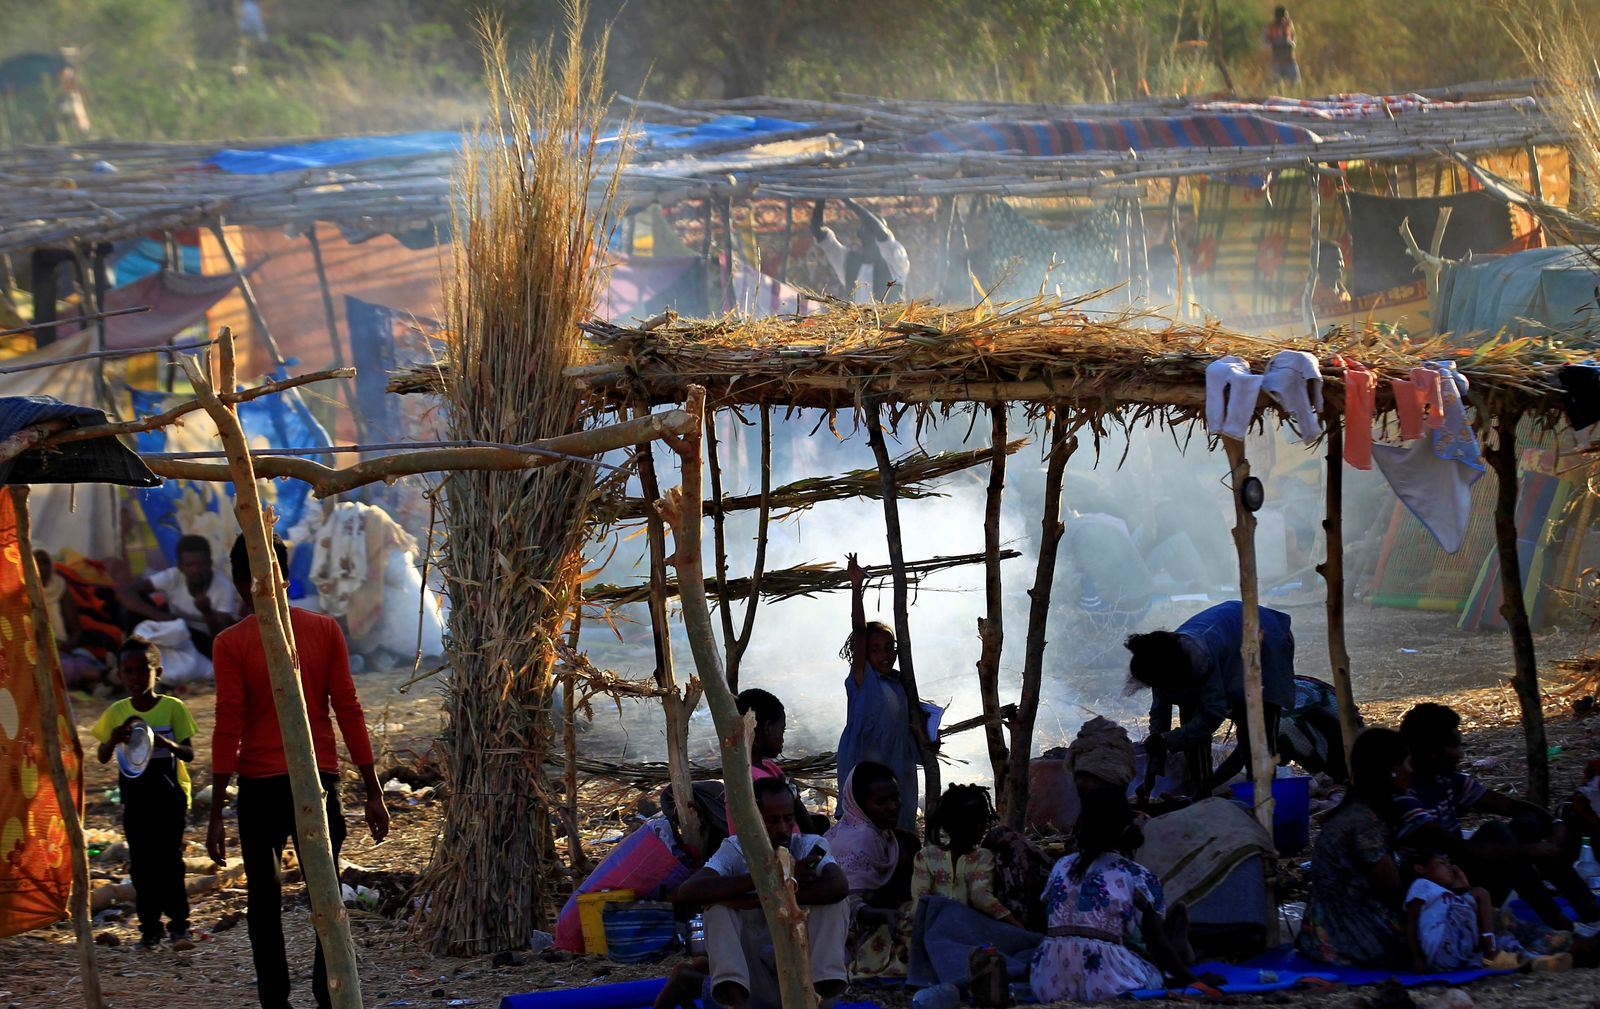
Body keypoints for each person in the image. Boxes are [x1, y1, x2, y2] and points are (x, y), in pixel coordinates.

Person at [205, 533, 388, 1009]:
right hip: (317, 781)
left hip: (262, 786)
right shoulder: (323, 629)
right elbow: (347, 708)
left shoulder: (232, 642)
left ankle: (276, 1001)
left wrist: (216, 808)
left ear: (240, 581)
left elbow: (229, 723)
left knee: (264, 904)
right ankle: (328, 995)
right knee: (325, 897)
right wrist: (371, 788)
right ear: (284, 576)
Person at [1396, 702, 1600, 935]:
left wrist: (1555, 823)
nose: (1460, 754)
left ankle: (1589, 910)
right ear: (1432, 751)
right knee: (1497, 834)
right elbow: (1459, 849)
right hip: (1441, 894)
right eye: (1454, 746)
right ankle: (1560, 923)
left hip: (1462, 876)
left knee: (1528, 822)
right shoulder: (1404, 796)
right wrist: (1533, 851)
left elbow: (1510, 805)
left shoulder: (1446, 780)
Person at [673, 777, 850, 1009]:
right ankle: (733, 997)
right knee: (717, 908)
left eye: (788, 819)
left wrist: (757, 900)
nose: (783, 829)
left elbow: (838, 887)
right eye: (772, 821)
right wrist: (769, 878)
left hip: (805, 979)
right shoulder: (736, 849)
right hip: (753, 984)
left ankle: (822, 990)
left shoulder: (809, 846)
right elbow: (687, 893)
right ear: (753, 820)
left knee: (836, 903)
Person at [1031, 790, 1198, 1002]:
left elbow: (1042, 919)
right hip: (1109, 983)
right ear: (1124, 826)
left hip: (1048, 983)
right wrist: (1194, 983)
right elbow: (1157, 945)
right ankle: (1180, 952)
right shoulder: (1137, 874)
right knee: (1150, 959)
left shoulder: (1061, 866)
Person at [90, 638, 198, 950]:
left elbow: (189, 753)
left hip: (169, 797)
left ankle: (180, 928)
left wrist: (168, 745)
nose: (136, 677)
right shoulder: (117, 712)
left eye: (143, 670)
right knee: (141, 866)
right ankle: (149, 929)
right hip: (135, 800)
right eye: (129, 671)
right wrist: (111, 740)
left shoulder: (172, 708)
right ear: (120, 675)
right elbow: (101, 756)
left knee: (170, 863)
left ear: (158, 672)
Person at [1125, 600, 1295, 796]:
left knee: (1257, 742)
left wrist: (1169, 741)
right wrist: (1156, 745)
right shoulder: (1158, 659)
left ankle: (1263, 803)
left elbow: (1213, 715)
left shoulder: (1199, 659)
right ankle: (1202, 793)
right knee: (1192, 732)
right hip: (1229, 641)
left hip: (1264, 641)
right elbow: (1160, 709)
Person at [1297, 727, 1410, 967]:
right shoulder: (1362, 823)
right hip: (1350, 936)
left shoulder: (1359, 811)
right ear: (1391, 769)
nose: (1412, 771)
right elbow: (1391, 887)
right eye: (1407, 763)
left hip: (1324, 934)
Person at [837, 553, 923, 831]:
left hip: (898, 762)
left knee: (900, 819)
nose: (885, 655)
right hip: (866, 760)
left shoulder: (898, 682)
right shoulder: (864, 679)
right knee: (866, 822)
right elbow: (859, 632)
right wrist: (856, 587)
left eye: (889, 648)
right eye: (875, 650)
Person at [826, 762, 916, 978]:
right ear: (859, 804)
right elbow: (848, 906)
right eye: (881, 802)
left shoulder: (872, 832)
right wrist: (885, 915)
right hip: (843, 935)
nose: (893, 806)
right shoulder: (861, 839)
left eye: (895, 798)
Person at [117, 534, 240, 658]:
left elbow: (220, 634)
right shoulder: (173, 576)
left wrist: (207, 612)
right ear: (180, 566)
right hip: (173, 629)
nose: (196, 570)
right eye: (189, 565)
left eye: (200, 564)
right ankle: (133, 655)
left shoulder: (223, 586)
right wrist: (159, 615)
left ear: (210, 563)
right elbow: (124, 592)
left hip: (202, 639)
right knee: (133, 606)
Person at [735, 687, 825, 834]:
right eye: (782, 730)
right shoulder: (745, 779)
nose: (783, 739)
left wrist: (793, 795)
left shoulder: (770, 768)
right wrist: (792, 794)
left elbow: (809, 830)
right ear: (767, 728)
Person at [1405, 851, 1500, 971]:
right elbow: (1411, 922)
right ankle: (1490, 951)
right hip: (1442, 948)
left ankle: (1492, 956)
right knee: (1479, 895)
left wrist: (1464, 886)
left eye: (1449, 864)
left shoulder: (1452, 895)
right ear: (1420, 868)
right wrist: (1416, 957)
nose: (1449, 867)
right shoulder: (1423, 884)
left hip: (1460, 953)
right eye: (1442, 863)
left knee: (1495, 920)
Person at [811, 199, 911, 303]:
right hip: (858, 319)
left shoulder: (894, 259)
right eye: (866, 229)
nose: (870, 231)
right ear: (860, 234)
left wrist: (847, 200)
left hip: (890, 319)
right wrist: (820, 198)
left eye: (872, 228)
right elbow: (819, 232)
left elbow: (883, 234)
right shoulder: (848, 261)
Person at [38, 549, 102, 690]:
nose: (42, 568)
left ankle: (97, 679)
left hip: (61, 648)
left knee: (70, 663)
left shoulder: (59, 587)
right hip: (38, 652)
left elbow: (75, 630)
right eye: (36, 562)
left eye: (45, 562)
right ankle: (102, 677)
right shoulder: (19, 593)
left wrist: (66, 645)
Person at [1263, 6, 1300, 84]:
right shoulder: (1270, 27)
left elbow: (1294, 39)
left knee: (1296, 84)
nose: (1284, 18)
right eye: (1282, 16)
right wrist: (1273, 44)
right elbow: (1264, 43)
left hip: (1290, 61)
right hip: (1277, 62)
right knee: (1277, 87)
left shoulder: (1289, 25)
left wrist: (1291, 43)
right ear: (1277, 16)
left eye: (1286, 16)